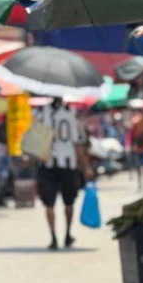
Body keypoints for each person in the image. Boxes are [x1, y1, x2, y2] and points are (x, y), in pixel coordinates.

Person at [35, 99, 92, 250]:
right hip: (67, 163)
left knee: (50, 204)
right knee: (68, 203)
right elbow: (78, 143)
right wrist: (86, 166)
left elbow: (35, 140)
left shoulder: (42, 113)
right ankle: (67, 234)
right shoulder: (71, 114)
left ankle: (54, 236)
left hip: (48, 164)